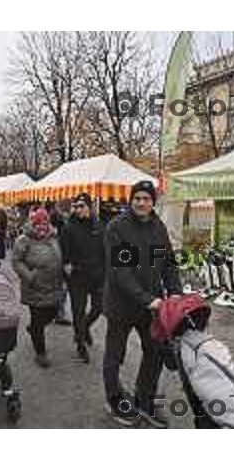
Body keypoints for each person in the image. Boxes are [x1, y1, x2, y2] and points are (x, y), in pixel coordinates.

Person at [103, 180, 182, 428]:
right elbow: (121, 271)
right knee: (115, 355)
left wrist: (176, 292)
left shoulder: (158, 227)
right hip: (122, 304)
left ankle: (144, 398)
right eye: (137, 198)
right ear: (131, 200)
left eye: (146, 198)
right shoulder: (117, 228)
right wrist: (148, 299)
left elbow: (168, 263)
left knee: (155, 351)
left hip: (152, 306)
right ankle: (115, 399)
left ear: (152, 202)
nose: (141, 202)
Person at [12, 208, 63, 368]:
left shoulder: (53, 237)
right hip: (35, 286)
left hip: (53, 285)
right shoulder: (23, 240)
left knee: (53, 312)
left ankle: (33, 329)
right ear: (32, 224)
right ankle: (40, 353)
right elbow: (16, 261)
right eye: (38, 224)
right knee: (38, 319)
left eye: (45, 223)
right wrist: (30, 276)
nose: (42, 227)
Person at [60, 193, 105, 363]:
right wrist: (67, 269)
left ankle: (84, 327)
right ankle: (80, 343)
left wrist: (106, 272)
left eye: (81, 206)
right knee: (78, 311)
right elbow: (64, 254)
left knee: (98, 308)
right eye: (76, 206)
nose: (78, 210)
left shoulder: (99, 226)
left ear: (89, 207)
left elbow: (105, 250)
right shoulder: (68, 227)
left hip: (97, 276)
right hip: (78, 277)